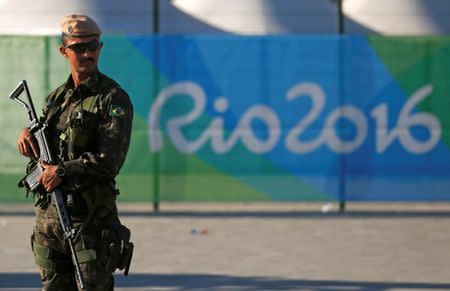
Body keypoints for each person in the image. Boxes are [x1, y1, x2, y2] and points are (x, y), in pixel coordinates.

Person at [16, 13, 134, 290]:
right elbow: (49, 146)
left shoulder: (112, 97)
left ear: (100, 48)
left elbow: (110, 161)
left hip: (89, 223)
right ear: (63, 51)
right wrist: (27, 135)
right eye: (78, 47)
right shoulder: (56, 98)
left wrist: (62, 171)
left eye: (92, 46)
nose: (87, 53)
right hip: (49, 221)